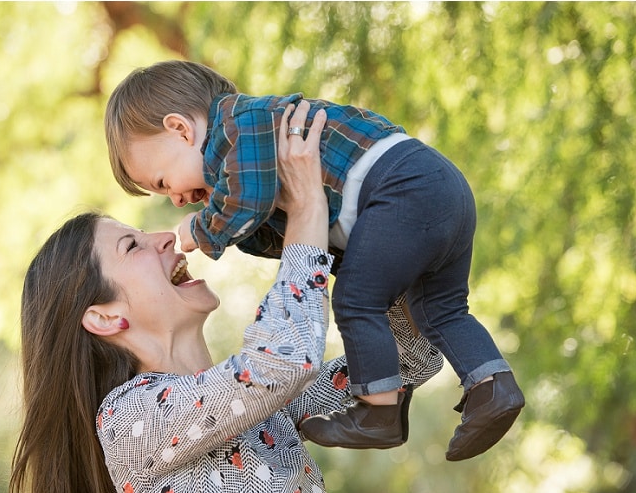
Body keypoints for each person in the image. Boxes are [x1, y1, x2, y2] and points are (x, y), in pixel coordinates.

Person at [8, 102, 441, 493]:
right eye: (132, 246)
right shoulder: (127, 420)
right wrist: (307, 204)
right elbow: (281, 362)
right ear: (104, 317)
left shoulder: (255, 406)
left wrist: (382, 225)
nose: (162, 237)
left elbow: (412, 356)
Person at [103, 60, 525, 459]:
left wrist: (200, 230)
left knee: (356, 300)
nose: (177, 199)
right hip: (440, 188)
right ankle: (493, 387)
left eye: (163, 183)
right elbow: (284, 236)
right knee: (441, 309)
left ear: (180, 130)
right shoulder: (254, 148)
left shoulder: (238, 127)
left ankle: (380, 413)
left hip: (400, 188)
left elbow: (245, 203)